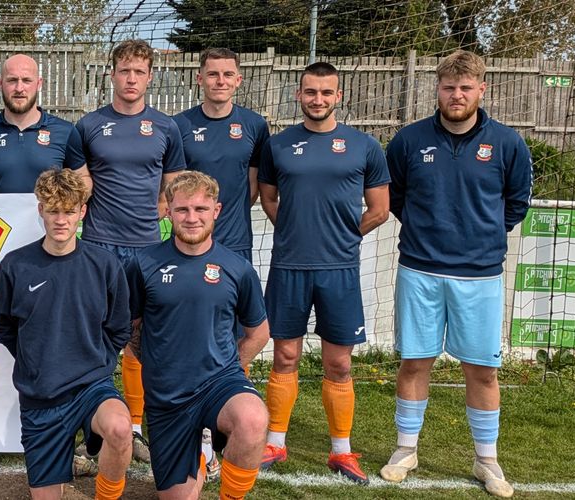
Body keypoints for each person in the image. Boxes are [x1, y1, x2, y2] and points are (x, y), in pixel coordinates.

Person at [380, 50, 532, 498]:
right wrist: (431, 232)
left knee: (482, 370)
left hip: (480, 275)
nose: (457, 95)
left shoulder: (507, 143)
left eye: (466, 87)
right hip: (420, 269)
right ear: (438, 89)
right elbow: (397, 197)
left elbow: (516, 201)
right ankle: (406, 449)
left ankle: (486, 458)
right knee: (414, 362)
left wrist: (478, 236)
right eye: (449, 87)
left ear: (481, 90)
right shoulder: (408, 141)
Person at [256, 62, 390, 485]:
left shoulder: (364, 145)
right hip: (289, 267)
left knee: (339, 364)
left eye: (325, 92)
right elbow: (269, 199)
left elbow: (380, 209)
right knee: (285, 356)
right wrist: (298, 232)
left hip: (340, 271)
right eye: (310, 92)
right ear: (299, 95)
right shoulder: (278, 146)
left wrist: (345, 238)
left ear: (339, 96)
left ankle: (341, 451)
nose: (318, 99)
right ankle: (275, 441)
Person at [73, 38, 187, 464]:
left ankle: (136, 427)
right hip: (99, 246)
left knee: (140, 340)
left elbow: (172, 189)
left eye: (139, 71)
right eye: (124, 71)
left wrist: (158, 228)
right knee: (98, 340)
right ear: (112, 75)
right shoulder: (87, 127)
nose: (131, 78)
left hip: (147, 251)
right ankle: (94, 434)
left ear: (150, 76)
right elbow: (81, 187)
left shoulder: (165, 128)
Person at [0, 168, 133, 499]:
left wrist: (97, 361)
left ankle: (106, 494)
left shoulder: (104, 265)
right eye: (53, 211)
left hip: (90, 387)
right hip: (41, 396)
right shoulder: (16, 265)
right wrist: (35, 358)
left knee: (120, 427)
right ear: (40, 210)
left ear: (82, 211)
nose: (61, 220)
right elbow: (4, 325)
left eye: (69, 211)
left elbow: (119, 327)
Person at [128, 171, 269, 500]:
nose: (192, 218)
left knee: (252, 418)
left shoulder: (237, 268)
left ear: (216, 211)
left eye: (200, 210)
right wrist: (154, 363)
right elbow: (128, 328)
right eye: (182, 210)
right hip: (168, 398)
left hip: (219, 384)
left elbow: (259, 332)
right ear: (168, 212)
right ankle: (202, 458)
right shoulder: (143, 264)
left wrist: (232, 367)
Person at [173, 48, 269, 264]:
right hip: (189, 239)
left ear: (238, 80)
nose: (220, 81)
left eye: (227, 75)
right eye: (213, 74)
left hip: (236, 241)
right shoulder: (178, 125)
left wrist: (228, 216)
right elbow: (172, 183)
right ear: (200, 79)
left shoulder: (255, 125)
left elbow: (253, 185)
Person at [0, 55, 82, 194]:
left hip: (46, 216)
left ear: (39, 83)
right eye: (12, 80)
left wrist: (67, 208)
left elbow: (83, 178)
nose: (19, 88)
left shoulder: (65, 131)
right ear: (0, 83)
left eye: (26, 80)